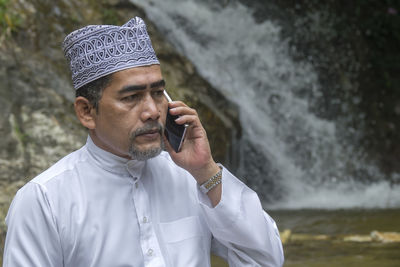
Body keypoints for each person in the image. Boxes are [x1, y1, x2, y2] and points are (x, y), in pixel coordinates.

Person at [3, 17, 284, 267]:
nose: (152, 111)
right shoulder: (45, 200)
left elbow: (265, 260)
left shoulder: (189, 178)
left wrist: (206, 171)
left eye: (158, 92)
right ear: (87, 112)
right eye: (132, 97)